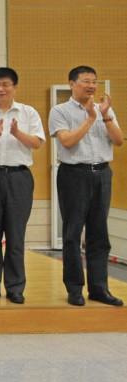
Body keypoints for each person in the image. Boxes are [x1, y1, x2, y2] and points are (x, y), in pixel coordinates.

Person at [49, 65, 124, 307]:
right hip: (73, 174)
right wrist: (90, 119)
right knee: (72, 233)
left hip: (102, 173)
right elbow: (67, 141)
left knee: (99, 234)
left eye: (94, 81)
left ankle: (99, 288)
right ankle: (74, 289)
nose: (91, 85)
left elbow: (118, 141)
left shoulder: (105, 110)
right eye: (86, 81)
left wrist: (105, 115)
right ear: (72, 84)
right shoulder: (60, 111)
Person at [0, 68, 43, 305]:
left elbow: (37, 143)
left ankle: (15, 287)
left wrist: (16, 132)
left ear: (15, 87)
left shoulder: (28, 112)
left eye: (5, 84)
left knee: (16, 235)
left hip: (19, 177)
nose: (0, 89)